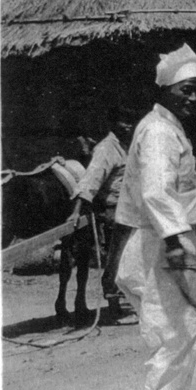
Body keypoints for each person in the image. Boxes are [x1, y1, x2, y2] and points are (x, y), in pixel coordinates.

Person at [113, 43, 196, 390]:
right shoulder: (158, 132)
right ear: (165, 88)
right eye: (186, 88)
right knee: (178, 322)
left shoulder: (165, 128)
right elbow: (155, 191)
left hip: (157, 236)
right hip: (162, 238)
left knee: (164, 320)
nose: (194, 96)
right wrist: (174, 240)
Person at [70, 104, 139, 319]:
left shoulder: (124, 147)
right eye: (123, 121)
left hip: (129, 209)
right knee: (116, 257)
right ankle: (113, 302)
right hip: (112, 211)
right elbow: (91, 180)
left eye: (130, 122)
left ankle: (126, 298)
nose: (128, 126)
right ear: (113, 123)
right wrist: (76, 212)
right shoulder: (106, 149)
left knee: (132, 256)